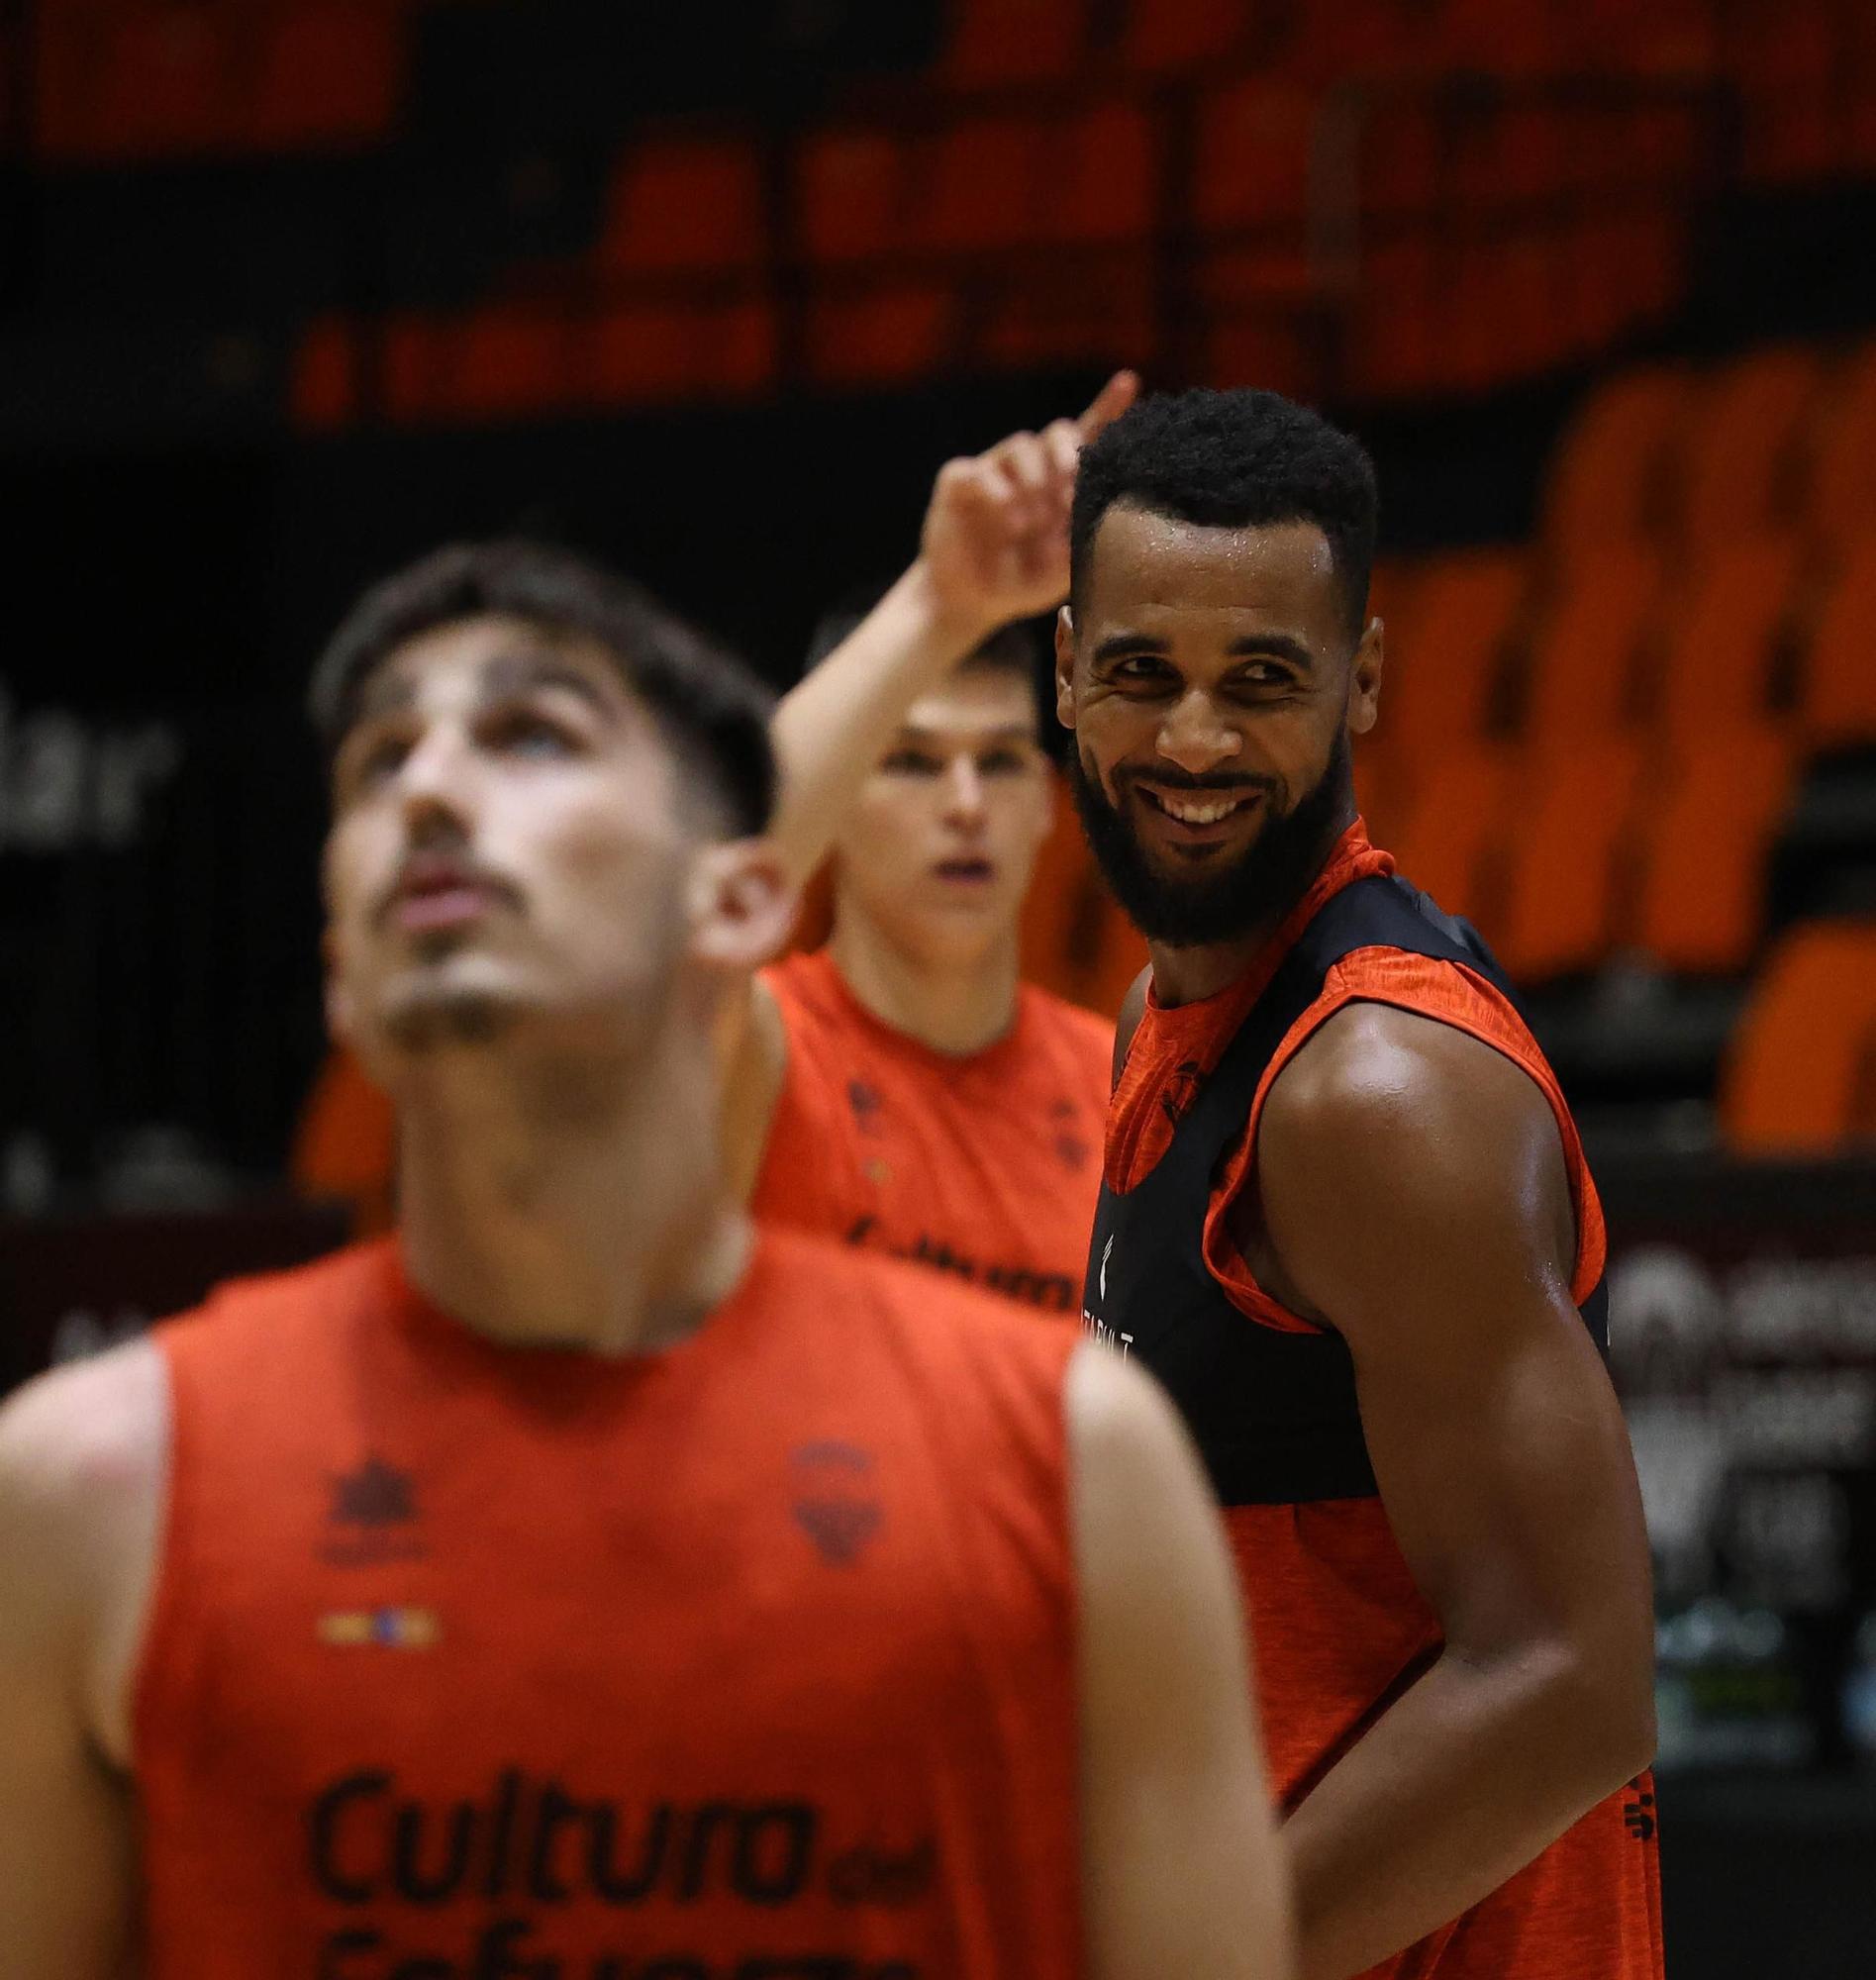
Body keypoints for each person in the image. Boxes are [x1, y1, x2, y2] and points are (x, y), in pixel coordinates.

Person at [0, 410, 1292, 1980]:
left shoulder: (1085, 1471)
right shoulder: (83, 1497)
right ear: (341, 970)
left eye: (532, 734)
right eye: (379, 757)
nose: (432, 789)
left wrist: (941, 608)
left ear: (741, 893)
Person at [1059, 387, 1661, 1980]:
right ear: (1063, 672)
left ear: (1362, 681)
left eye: (1258, 681)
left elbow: (1571, 1680)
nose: (1190, 739)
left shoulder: (1374, 1091)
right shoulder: (1166, 1016)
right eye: (1140, 674)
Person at [731, 603, 1112, 1316]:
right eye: (911, 761)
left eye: (998, 761)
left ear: (1044, 802)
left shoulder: (1124, 1092)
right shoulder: (752, 1048)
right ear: (830, 793)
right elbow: (705, 891)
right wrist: (943, 591)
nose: (965, 805)